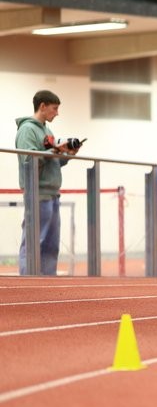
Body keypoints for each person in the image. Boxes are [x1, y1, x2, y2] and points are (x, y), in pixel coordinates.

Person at [15, 90, 83, 275]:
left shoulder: (47, 130)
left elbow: (52, 162)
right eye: (55, 108)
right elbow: (29, 161)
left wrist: (67, 154)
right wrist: (54, 151)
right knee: (34, 242)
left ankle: (47, 282)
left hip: (52, 194)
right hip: (37, 193)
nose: (57, 113)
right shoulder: (27, 130)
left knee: (51, 245)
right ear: (42, 106)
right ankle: (28, 282)